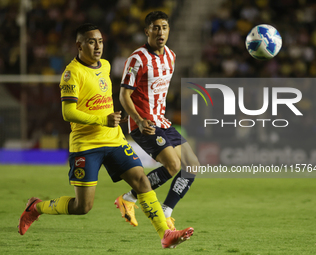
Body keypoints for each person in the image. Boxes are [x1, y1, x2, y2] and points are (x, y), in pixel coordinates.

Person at [18, 23, 193, 249]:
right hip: (86, 144)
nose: (98, 46)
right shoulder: (72, 74)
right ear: (79, 45)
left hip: (114, 139)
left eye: (100, 41)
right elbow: (67, 112)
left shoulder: (106, 66)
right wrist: (103, 119)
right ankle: (36, 207)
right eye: (91, 42)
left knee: (141, 181)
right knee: (83, 207)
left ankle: (165, 234)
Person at [115, 11, 200, 230]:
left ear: (169, 30)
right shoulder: (137, 59)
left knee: (192, 166)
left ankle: (161, 209)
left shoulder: (171, 56)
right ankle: (131, 199)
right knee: (172, 165)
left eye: (164, 27)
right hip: (143, 124)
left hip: (162, 121)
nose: (160, 31)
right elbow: (124, 95)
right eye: (155, 27)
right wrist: (138, 119)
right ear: (147, 32)